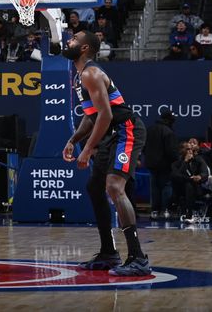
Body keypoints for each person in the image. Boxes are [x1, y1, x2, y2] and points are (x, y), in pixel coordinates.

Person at [62, 31, 151, 276]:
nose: (68, 40)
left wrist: (88, 149)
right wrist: (73, 140)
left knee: (114, 187)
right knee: (94, 187)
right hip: (111, 133)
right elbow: (91, 116)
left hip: (126, 130)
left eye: (74, 39)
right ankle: (109, 252)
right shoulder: (79, 76)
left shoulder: (91, 73)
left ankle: (138, 258)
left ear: (84, 49)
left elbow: (106, 115)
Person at [143, 110, 178, 220]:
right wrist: (176, 160)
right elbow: (171, 151)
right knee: (166, 186)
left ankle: (154, 211)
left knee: (154, 187)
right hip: (164, 165)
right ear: (169, 119)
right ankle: (165, 210)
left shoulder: (149, 129)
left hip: (151, 164)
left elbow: (143, 147)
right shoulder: (168, 132)